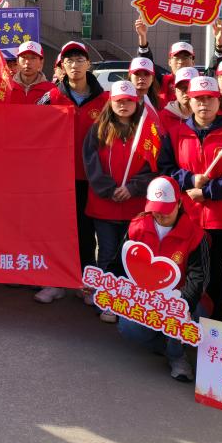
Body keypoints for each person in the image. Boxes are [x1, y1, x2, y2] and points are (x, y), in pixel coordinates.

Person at [158, 75, 222, 320]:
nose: (204, 104)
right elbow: (165, 168)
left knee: (221, 277)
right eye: (198, 99)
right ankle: (185, 321)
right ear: (189, 101)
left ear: (219, 101)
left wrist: (208, 191)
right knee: (189, 274)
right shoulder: (175, 133)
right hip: (188, 218)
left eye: (210, 99)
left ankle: (216, 326)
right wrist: (189, 179)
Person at [115, 176, 208, 382]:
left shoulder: (195, 235)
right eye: (155, 208)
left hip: (182, 300)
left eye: (166, 209)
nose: (160, 214)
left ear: (179, 203)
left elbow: (199, 278)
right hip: (147, 299)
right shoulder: (137, 227)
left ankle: (177, 356)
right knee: (127, 326)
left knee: (178, 317)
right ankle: (165, 345)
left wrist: (181, 304)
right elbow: (120, 264)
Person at [36, 40, 108, 303]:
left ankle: (86, 284)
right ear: (62, 66)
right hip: (57, 178)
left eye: (79, 60)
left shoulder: (105, 100)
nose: (74, 65)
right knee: (55, 231)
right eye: (69, 60)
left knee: (86, 233)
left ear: (88, 64)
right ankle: (54, 282)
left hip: (90, 178)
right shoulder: (51, 97)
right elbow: (30, 127)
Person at [83, 80, 154, 322]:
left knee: (131, 257)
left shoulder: (145, 131)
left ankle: (127, 303)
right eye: (118, 101)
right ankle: (106, 300)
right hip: (104, 206)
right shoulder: (98, 130)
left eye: (128, 101)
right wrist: (109, 189)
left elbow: (153, 166)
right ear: (110, 103)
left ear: (136, 103)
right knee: (107, 253)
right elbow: (91, 164)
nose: (123, 105)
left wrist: (133, 187)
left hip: (135, 207)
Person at [135, 16, 222, 103]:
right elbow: (146, 63)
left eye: (185, 57)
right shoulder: (162, 81)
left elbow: (215, 67)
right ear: (169, 62)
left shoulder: (201, 81)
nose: (181, 61)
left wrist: (219, 41)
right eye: (176, 57)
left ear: (193, 62)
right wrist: (142, 37)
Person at [159, 66, 198, 137]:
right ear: (175, 91)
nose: (186, 91)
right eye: (181, 87)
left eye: (191, 87)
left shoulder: (208, 116)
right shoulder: (163, 117)